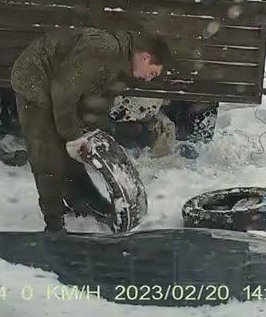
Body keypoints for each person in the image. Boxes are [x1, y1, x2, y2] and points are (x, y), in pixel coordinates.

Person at [10, 26, 173, 231]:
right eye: (153, 73)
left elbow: (97, 102)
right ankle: (53, 222)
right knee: (47, 152)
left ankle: (81, 205)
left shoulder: (123, 66)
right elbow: (63, 91)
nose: (150, 79)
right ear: (146, 57)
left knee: (71, 154)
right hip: (35, 77)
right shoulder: (103, 48)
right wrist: (71, 135)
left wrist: (92, 131)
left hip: (59, 85)